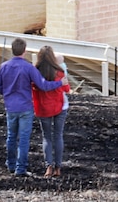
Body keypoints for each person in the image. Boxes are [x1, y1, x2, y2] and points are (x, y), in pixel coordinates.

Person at [0, 38, 66, 177]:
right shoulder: (28, 67)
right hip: (25, 106)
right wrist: (59, 83)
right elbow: (43, 85)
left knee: (11, 136)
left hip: (10, 106)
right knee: (24, 138)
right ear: (25, 51)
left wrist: (8, 94)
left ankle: (11, 164)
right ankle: (20, 168)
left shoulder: (4, 66)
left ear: (12, 50)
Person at [32, 46, 70, 178]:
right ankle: (58, 167)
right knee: (58, 136)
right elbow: (67, 89)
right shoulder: (59, 71)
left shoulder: (35, 72)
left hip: (43, 107)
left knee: (46, 137)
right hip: (60, 106)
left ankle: (48, 166)